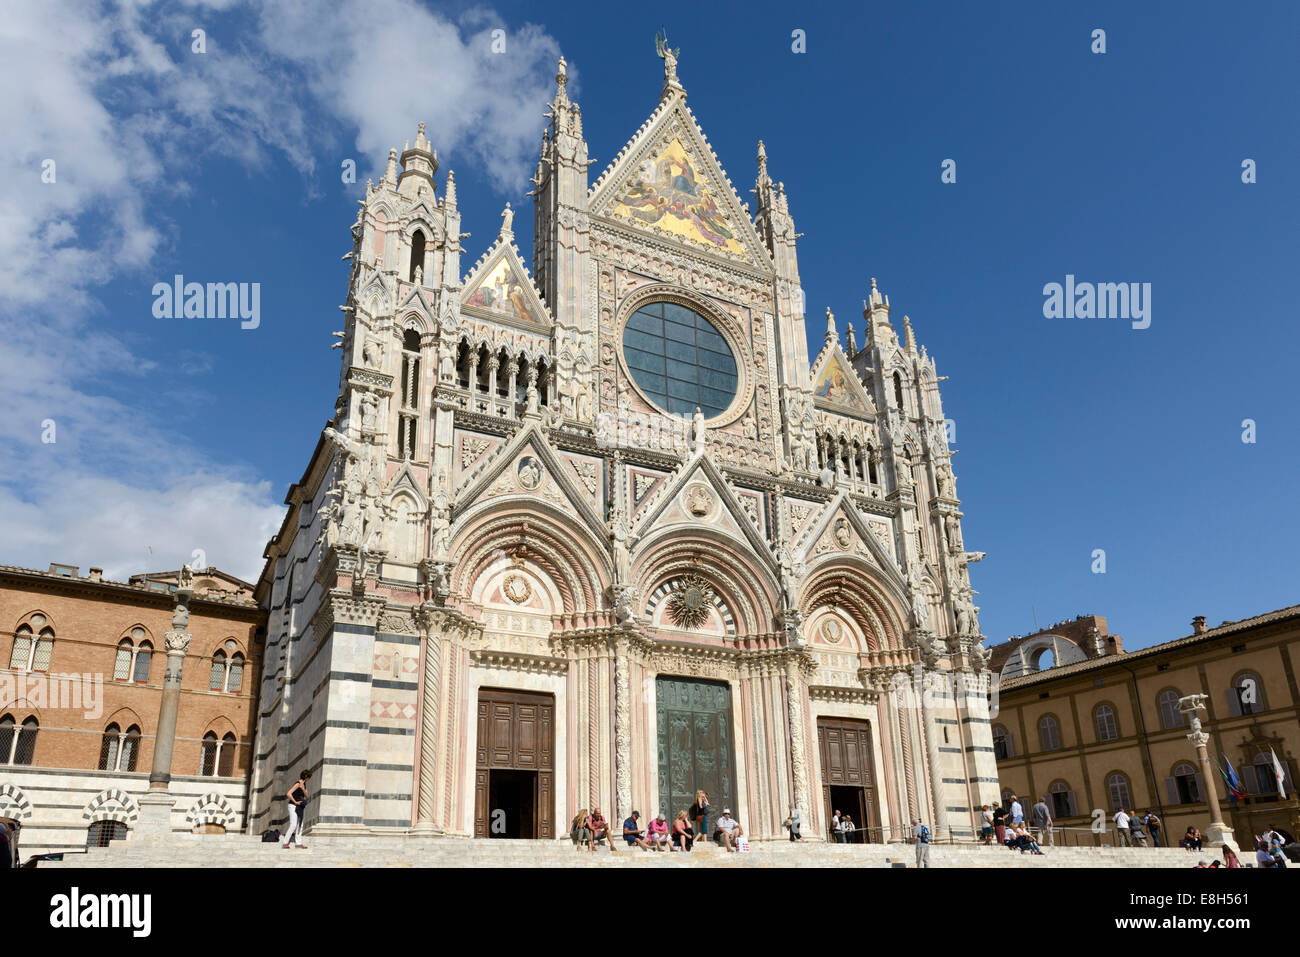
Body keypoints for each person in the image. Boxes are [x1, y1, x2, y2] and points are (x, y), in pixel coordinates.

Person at [282, 769, 312, 849]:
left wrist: (302, 788)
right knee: (293, 824)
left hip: (300, 806)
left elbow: (306, 796)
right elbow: (288, 793)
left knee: (300, 824)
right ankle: (285, 842)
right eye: (308, 777)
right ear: (306, 777)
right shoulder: (297, 783)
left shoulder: (304, 784)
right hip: (293, 805)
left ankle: (298, 843)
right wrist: (295, 802)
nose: (309, 779)